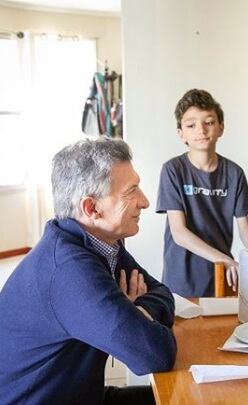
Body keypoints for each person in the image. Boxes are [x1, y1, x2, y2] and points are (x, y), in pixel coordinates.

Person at [0, 137, 177, 405]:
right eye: (131, 191)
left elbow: (162, 292)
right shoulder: (69, 271)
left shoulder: (100, 243)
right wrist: (133, 317)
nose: (144, 201)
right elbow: (155, 355)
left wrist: (136, 311)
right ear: (91, 208)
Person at [157, 89, 248, 297]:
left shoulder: (234, 173)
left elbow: (245, 229)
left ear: (221, 127)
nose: (201, 130)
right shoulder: (173, 170)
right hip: (182, 278)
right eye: (191, 125)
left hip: (221, 276)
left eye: (209, 122)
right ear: (181, 133)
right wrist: (225, 259)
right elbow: (179, 232)